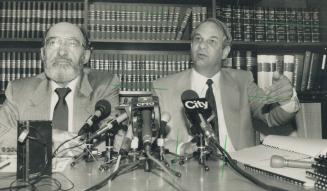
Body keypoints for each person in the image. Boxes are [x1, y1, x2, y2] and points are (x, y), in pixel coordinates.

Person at [153, 18, 299, 155]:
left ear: (224, 52)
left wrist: (286, 101)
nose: (202, 45)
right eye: (198, 39)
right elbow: (148, 139)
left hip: (237, 168)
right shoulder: (163, 88)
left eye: (212, 41)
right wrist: (180, 148)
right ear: (191, 46)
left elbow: (270, 116)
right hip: (185, 172)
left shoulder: (242, 81)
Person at [0, 22, 119, 154]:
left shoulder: (104, 86)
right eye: (53, 43)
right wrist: (48, 136)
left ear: (85, 56)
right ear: (43, 54)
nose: (62, 52)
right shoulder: (18, 91)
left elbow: (113, 139)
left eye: (72, 43)